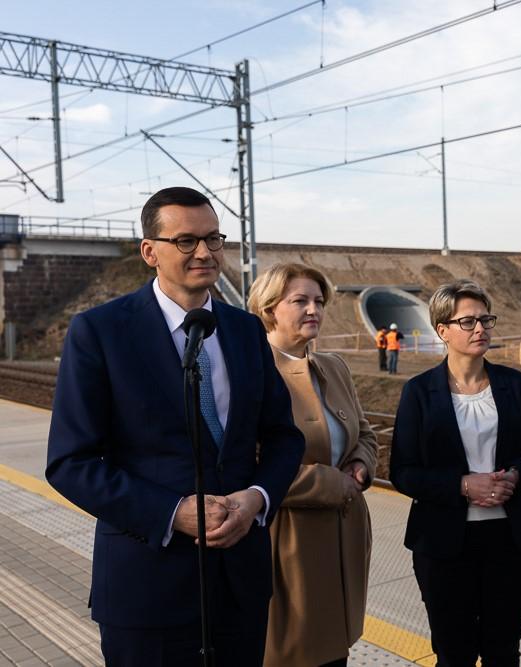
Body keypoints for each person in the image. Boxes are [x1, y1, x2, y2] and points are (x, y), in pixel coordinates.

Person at [46, 186, 305, 666]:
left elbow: (283, 437)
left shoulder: (246, 330)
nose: (205, 252)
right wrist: (172, 512)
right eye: (186, 241)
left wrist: (258, 499)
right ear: (150, 251)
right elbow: (70, 462)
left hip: (239, 586)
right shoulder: (100, 332)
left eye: (213, 239)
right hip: (147, 588)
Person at [390, 280, 521, 667]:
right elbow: (403, 471)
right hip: (445, 544)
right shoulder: (419, 391)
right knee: (454, 652)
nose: (480, 328)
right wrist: (462, 485)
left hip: (511, 541)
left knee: (503, 650)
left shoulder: (515, 384)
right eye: (468, 321)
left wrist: (515, 476)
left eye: (485, 319)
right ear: (442, 330)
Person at [248, 262, 378, 667]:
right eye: (300, 300)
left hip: (343, 535)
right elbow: (246, 463)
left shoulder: (334, 367)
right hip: (287, 542)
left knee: (334, 651)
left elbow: (366, 433)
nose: (313, 310)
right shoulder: (250, 371)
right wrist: (329, 484)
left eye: (319, 301)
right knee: (294, 653)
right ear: (269, 308)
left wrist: (359, 464)